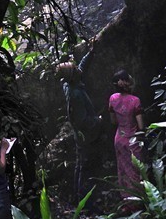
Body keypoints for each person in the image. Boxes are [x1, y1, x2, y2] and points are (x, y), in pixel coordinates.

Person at [56, 53, 102, 203]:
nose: (78, 69)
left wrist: (90, 52)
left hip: (80, 135)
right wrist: (98, 120)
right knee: (85, 167)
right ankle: (86, 202)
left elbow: (81, 68)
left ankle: (78, 198)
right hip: (85, 136)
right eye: (75, 69)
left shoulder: (68, 84)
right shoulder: (75, 93)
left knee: (80, 165)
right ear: (73, 76)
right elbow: (83, 121)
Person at [106, 69, 144, 210]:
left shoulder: (112, 98)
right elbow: (141, 126)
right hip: (132, 139)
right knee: (136, 170)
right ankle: (139, 200)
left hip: (119, 138)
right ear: (127, 82)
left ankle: (127, 201)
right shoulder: (135, 101)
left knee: (123, 170)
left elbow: (113, 121)